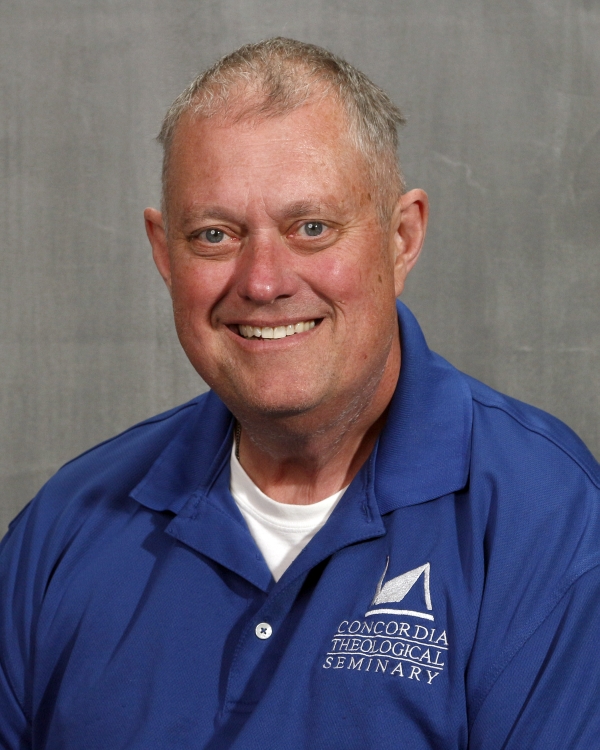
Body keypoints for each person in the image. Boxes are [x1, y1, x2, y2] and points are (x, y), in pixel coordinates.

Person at [1, 38, 599, 749]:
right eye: (215, 235)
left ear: (402, 237)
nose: (263, 281)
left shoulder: (548, 520)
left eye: (312, 228)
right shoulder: (63, 527)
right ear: (164, 253)